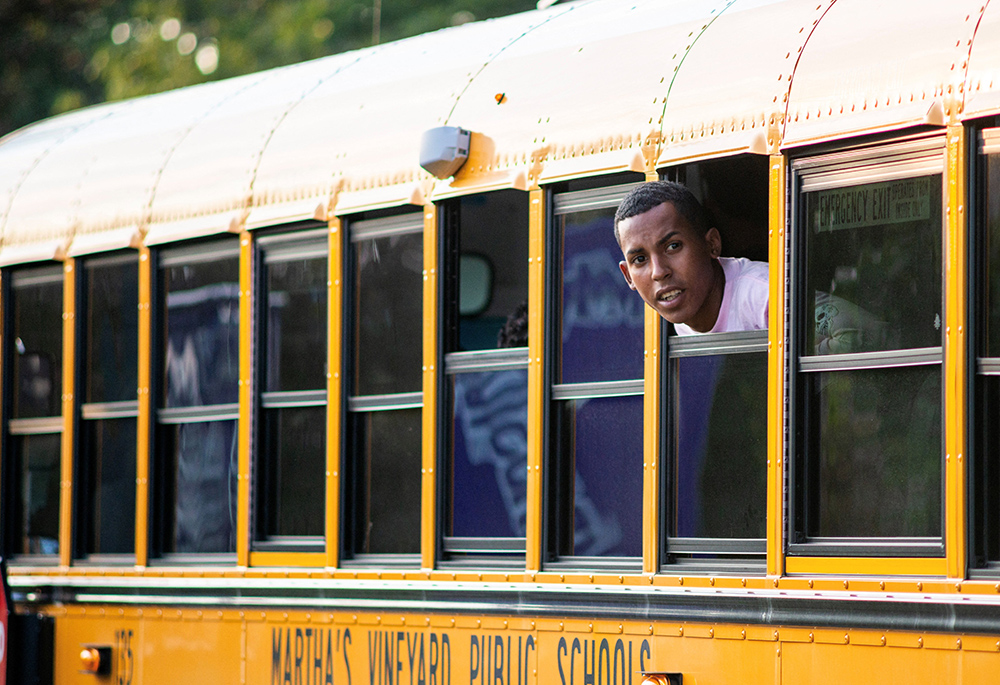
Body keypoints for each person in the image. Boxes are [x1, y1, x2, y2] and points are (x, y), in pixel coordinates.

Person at [614, 181, 768, 334]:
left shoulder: (764, 298)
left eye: (673, 246)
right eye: (640, 259)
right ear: (628, 276)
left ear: (712, 244)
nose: (659, 272)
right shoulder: (682, 321)